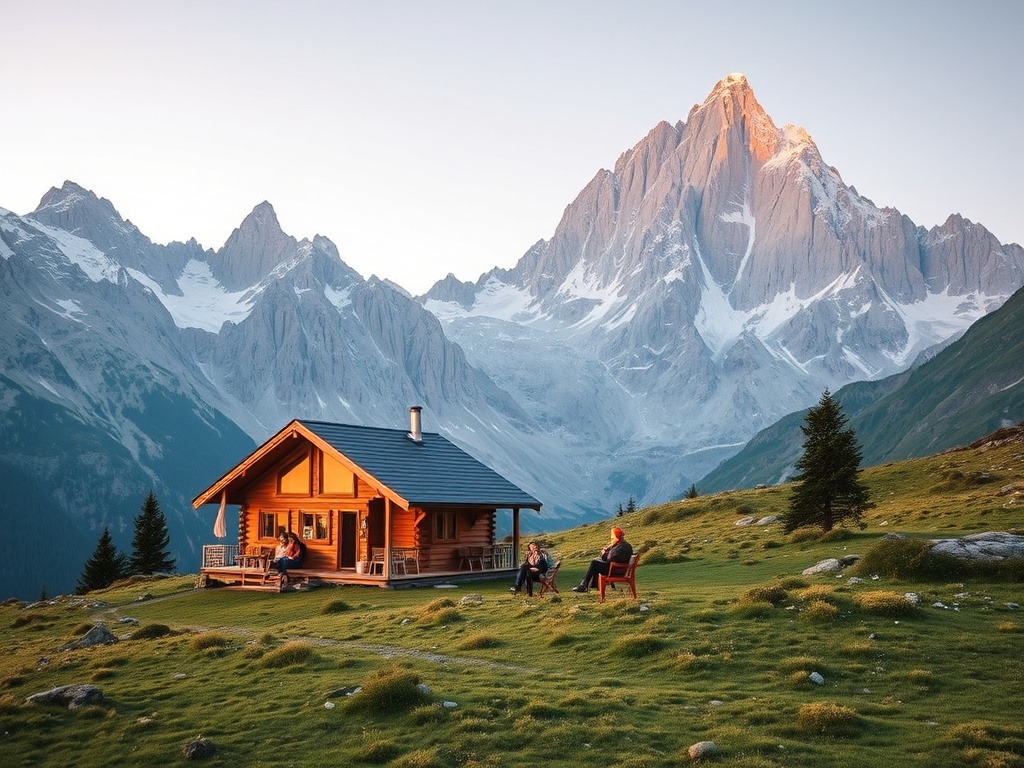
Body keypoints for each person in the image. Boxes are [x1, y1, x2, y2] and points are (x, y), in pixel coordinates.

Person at [571, 526, 633, 592]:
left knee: (594, 562)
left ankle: (584, 586)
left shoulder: (618, 548)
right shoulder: (627, 546)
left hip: (613, 571)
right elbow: (613, 557)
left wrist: (604, 553)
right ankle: (591, 585)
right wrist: (610, 549)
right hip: (622, 570)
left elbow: (608, 559)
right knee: (596, 561)